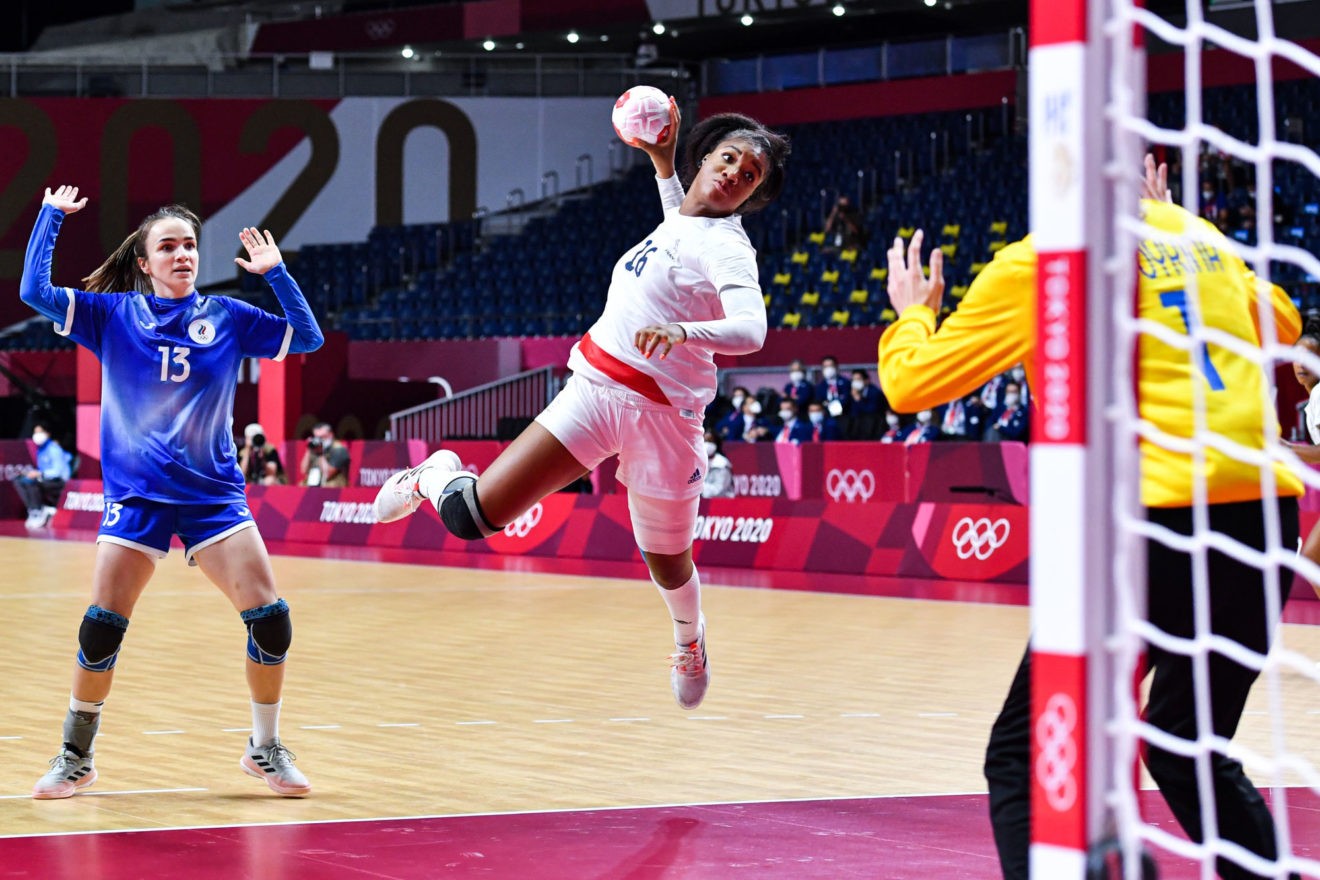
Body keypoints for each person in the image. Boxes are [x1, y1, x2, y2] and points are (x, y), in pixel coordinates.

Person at [878, 155, 1304, 880]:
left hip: (1151, 522)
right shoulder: (1203, 236)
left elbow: (910, 385)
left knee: (1023, 753)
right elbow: (1283, 324)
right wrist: (1170, 224)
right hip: (1262, 521)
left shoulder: (1046, 259)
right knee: (1185, 739)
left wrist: (914, 311)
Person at [372, 104, 789, 711]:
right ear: (706, 159)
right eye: (729, 157)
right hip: (594, 392)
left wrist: (682, 332)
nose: (735, 172)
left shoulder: (728, 247)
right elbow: (680, 219)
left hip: (667, 421)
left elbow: (752, 330)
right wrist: (658, 162)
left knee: (669, 565)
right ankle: (432, 475)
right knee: (471, 519)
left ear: (752, 196)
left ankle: (689, 638)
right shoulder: (684, 218)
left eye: (750, 174)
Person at [19, 185, 324, 799]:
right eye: (169, 246)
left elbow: (308, 338)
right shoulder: (113, 316)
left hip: (213, 497)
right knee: (101, 628)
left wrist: (277, 274)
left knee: (272, 622)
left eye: (189, 245)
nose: (182, 254)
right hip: (137, 498)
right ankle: (76, 755)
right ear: (145, 261)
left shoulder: (230, 317)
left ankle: (264, 748)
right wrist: (50, 217)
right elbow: (34, 292)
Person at [15, 422, 71, 528]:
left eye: (40, 432)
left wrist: (40, 474)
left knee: (32, 483)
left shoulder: (54, 449)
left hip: (60, 482)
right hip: (46, 479)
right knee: (20, 480)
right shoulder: (40, 449)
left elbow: (58, 471)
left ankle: (38, 510)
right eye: (35, 432)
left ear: (47, 434)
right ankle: (33, 510)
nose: (37, 435)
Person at [299, 423, 349, 487]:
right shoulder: (315, 448)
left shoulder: (339, 450)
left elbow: (327, 474)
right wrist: (309, 449)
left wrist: (320, 454)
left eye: (322, 437)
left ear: (331, 435)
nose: (319, 440)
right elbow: (303, 470)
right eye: (317, 437)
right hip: (316, 482)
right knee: (300, 485)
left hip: (334, 484)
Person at [700, 430, 735, 499]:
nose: (706, 444)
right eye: (704, 441)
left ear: (716, 444)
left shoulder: (722, 464)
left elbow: (719, 490)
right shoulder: (697, 463)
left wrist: (697, 488)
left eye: (709, 441)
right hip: (703, 502)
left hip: (722, 503)